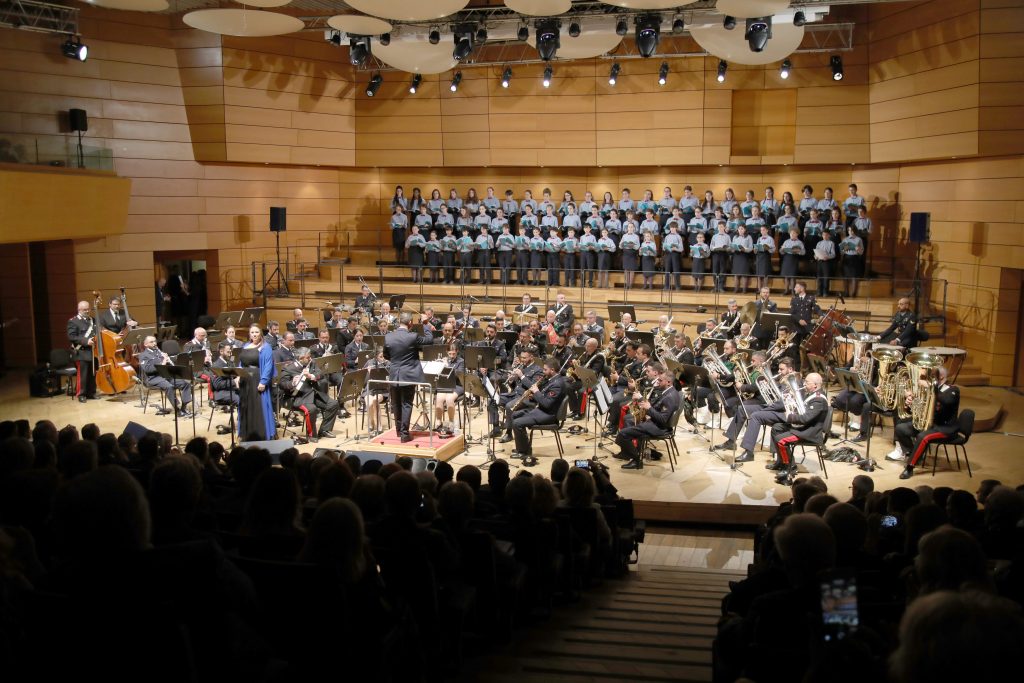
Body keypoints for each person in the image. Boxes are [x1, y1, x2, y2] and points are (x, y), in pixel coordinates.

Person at [891, 365, 960, 479]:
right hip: (930, 423)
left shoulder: (952, 389)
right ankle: (913, 454)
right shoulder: (932, 389)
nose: (928, 378)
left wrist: (930, 387)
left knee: (923, 437)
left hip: (945, 428)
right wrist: (911, 402)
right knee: (900, 428)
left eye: (932, 375)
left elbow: (946, 400)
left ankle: (910, 467)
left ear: (941, 376)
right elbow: (921, 405)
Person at [768, 371, 830, 484]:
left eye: (807, 382)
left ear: (815, 385)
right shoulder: (810, 394)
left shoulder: (819, 399)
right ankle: (781, 461)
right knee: (776, 427)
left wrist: (790, 416)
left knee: (781, 440)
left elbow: (806, 418)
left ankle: (789, 468)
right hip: (803, 428)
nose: (804, 384)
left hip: (809, 433)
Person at [383, 312, 433, 442]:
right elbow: (429, 340)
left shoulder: (388, 337)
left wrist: (396, 362)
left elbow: (386, 355)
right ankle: (405, 434)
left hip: (394, 374)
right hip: (409, 375)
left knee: (396, 403)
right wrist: (426, 324)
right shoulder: (413, 336)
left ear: (400, 321)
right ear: (410, 323)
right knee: (406, 404)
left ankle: (399, 431)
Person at [509, 358, 568, 465]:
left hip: (548, 415)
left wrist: (536, 391)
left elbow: (546, 404)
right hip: (542, 410)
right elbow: (544, 397)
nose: (543, 372)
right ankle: (524, 447)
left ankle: (523, 452)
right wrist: (533, 396)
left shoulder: (558, 384)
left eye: (545, 370)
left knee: (517, 423)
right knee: (515, 415)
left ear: (552, 370)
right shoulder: (552, 379)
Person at [616, 371, 680, 470]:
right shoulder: (670, 392)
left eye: (660, 380)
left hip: (659, 428)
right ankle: (634, 454)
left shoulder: (669, 397)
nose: (657, 382)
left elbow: (663, 419)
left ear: (668, 382)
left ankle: (637, 460)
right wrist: (648, 411)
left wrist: (649, 409)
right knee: (629, 422)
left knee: (622, 435)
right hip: (657, 424)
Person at [279, 347, 339, 443]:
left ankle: (324, 430)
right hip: (297, 398)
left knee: (333, 404)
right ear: (301, 358)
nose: (310, 359)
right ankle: (311, 435)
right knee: (311, 409)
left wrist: (311, 376)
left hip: (313, 394)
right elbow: (282, 384)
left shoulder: (311, 363)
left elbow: (320, 374)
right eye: (308, 357)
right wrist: (293, 383)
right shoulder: (289, 368)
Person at [138, 335, 193, 417]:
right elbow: (148, 370)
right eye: (151, 342)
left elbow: (168, 364)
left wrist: (168, 360)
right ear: (145, 344)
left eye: (155, 341)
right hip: (154, 378)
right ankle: (177, 409)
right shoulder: (143, 355)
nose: (154, 343)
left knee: (185, 383)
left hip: (166, 375)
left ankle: (183, 407)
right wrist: (163, 362)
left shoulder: (158, 351)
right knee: (169, 387)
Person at [239, 324, 276, 441]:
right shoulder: (245, 345)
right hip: (245, 380)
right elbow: (241, 363)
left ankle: (261, 433)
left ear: (260, 333)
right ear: (249, 334)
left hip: (258, 379)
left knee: (259, 407)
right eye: (252, 332)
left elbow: (268, 366)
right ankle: (247, 433)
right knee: (246, 406)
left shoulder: (266, 347)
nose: (254, 335)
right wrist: (238, 376)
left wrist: (263, 381)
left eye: (256, 332)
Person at [67, 300, 97, 402]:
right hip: (81, 352)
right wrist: (86, 341)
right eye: (85, 309)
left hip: (92, 351)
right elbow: (72, 337)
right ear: (79, 310)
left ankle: (91, 392)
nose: (87, 311)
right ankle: (81, 394)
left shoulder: (92, 320)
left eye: (88, 309)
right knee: (83, 375)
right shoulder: (73, 321)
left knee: (92, 373)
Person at [433, 343, 464, 437]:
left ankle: (451, 422)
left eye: (453, 354)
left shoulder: (461, 361)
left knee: (449, 399)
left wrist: (446, 367)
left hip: (457, 385)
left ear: (457, 352)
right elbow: (438, 374)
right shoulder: (444, 360)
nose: (451, 356)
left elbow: (457, 375)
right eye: (450, 354)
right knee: (438, 398)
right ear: (447, 352)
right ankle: (438, 422)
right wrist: (439, 365)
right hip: (445, 385)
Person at [789, 282, 819, 370]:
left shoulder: (811, 298)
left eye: (796, 287)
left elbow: (816, 308)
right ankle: (797, 368)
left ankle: (808, 367)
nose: (794, 289)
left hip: (807, 328)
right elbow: (791, 313)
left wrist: (821, 315)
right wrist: (799, 320)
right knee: (795, 348)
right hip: (797, 328)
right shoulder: (794, 299)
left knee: (808, 348)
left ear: (802, 289)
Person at [210, 341, 240, 406]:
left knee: (249, 395)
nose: (230, 354)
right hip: (221, 393)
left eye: (231, 352)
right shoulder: (216, 366)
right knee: (240, 400)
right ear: (221, 351)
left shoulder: (230, 362)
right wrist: (234, 382)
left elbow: (234, 375)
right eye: (228, 352)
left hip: (232, 389)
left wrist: (238, 377)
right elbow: (217, 385)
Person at [839, 225, 865, 298]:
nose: (851, 232)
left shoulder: (859, 239)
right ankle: (846, 293)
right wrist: (844, 249)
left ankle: (854, 294)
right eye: (849, 230)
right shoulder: (845, 239)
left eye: (852, 230)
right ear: (848, 231)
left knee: (855, 276)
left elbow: (862, 252)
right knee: (845, 276)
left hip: (855, 258)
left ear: (855, 231)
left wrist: (858, 249)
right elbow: (841, 251)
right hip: (847, 258)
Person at [814, 228, 837, 297]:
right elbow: (816, 252)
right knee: (819, 277)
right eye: (823, 235)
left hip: (827, 262)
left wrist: (827, 257)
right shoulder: (819, 243)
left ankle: (825, 292)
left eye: (826, 235)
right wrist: (815, 256)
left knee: (826, 277)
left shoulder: (831, 243)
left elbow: (833, 254)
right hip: (819, 261)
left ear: (829, 235)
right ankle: (819, 291)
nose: (825, 236)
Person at [753, 224, 775, 292]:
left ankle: (764, 290)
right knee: (759, 274)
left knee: (765, 274)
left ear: (767, 230)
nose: (762, 231)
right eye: (761, 230)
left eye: (763, 230)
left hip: (766, 256)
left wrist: (767, 248)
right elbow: (756, 248)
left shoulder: (770, 238)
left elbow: (773, 249)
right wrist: (755, 249)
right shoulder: (759, 238)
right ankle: (759, 289)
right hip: (759, 257)